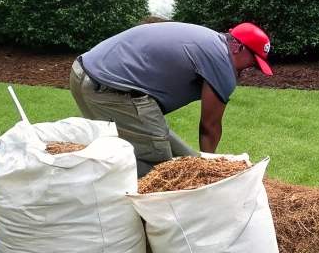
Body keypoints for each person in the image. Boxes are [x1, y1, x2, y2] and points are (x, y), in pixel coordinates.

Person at [70, 21, 273, 175]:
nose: (251, 69)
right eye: (253, 61)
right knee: (161, 165)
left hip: (82, 73)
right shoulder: (222, 61)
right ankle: (93, 184)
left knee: (181, 153)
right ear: (238, 47)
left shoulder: (208, 40)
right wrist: (208, 168)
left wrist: (200, 161)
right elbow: (210, 126)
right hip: (114, 89)